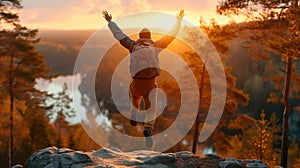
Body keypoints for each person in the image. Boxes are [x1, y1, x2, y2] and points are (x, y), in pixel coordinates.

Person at [102, 10, 184, 147]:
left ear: (140, 37)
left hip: (137, 83)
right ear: (150, 37)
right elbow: (171, 36)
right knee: (151, 108)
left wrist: (110, 22)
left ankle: (134, 111)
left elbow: (119, 35)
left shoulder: (132, 46)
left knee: (134, 94)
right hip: (151, 84)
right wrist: (178, 21)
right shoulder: (156, 46)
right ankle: (148, 128)